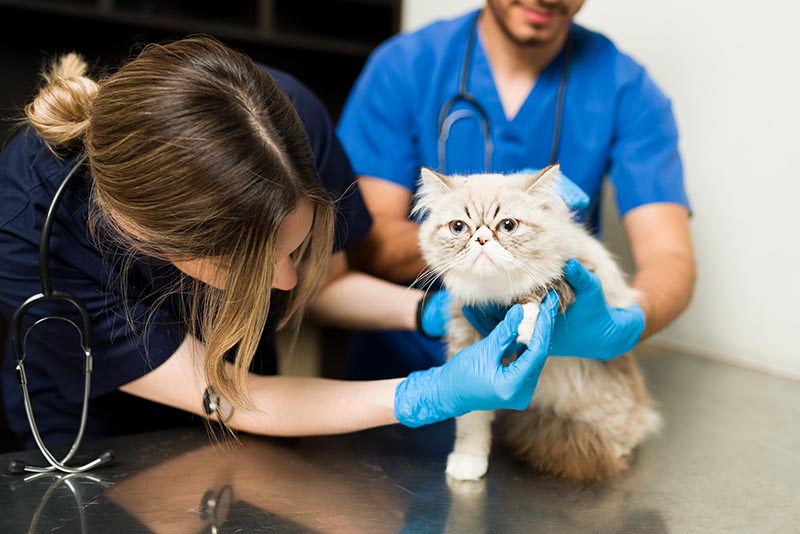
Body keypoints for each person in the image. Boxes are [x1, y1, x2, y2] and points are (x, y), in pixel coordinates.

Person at [0, 37, 561, 450]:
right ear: (149, 239)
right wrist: (432, 391)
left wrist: (444, 311)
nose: (289, 285)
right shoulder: (30, 230)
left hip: (255, 400)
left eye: (293, 249)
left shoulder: (280, 121)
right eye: (248, 270)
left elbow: (326, 285)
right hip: (98, 436)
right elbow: (236, 397)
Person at [337, 0, 696, 379]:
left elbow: (669, 254)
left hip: (551, 365)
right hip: (406, 365)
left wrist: (627, 325)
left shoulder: (627, 88)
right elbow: (365, 237)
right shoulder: (407, 65)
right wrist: (484, 261)